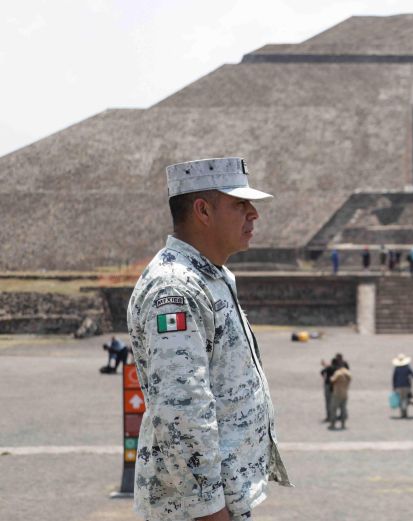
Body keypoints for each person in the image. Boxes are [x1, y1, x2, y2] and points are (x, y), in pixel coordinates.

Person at [126, 157, 290, 521]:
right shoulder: (176, 288)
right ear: (202, 210)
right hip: (195, 508)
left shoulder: (209, 276)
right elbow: (182, 409)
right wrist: (210, 512)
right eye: (239, 204)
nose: (254, 215)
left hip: (220, 499)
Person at [392, 353, 413, 419]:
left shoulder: (396, 369)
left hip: (398, 387)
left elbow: (394, 378)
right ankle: (404, 413)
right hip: (406, 386)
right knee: (405, 399)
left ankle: (402, 413)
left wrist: (394, 387)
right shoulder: (407, 367)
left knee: (401, 400)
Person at [329, 363, 351, 430]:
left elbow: (332, 380)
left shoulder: (338, 373)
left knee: (333, 409)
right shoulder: (348, 374)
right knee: (343, 409)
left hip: (337, 393)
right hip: (345, 394)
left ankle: (333, 424)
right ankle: (343, 424)